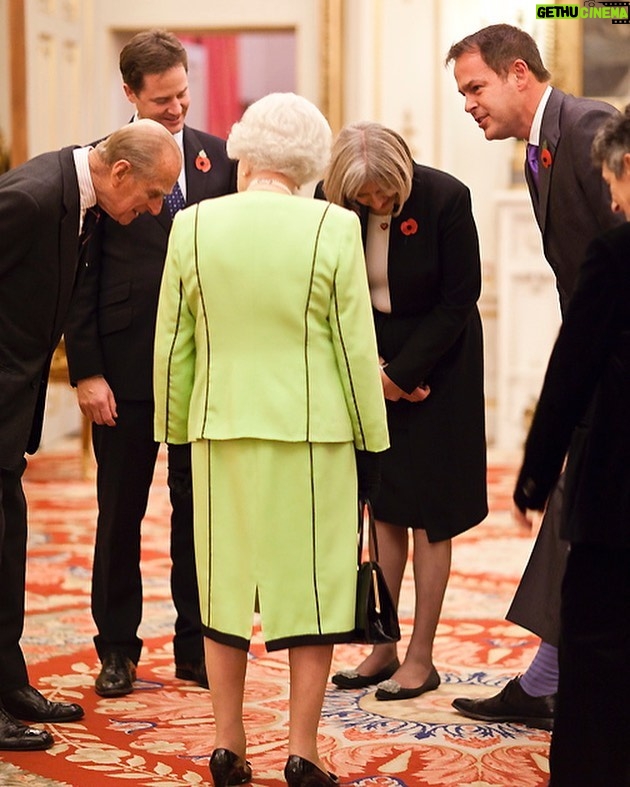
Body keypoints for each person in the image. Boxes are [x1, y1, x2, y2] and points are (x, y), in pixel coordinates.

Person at [153, 92, 389, 787]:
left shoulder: (191, 225)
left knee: (222, 593)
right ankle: (301, 749)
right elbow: (353, 346)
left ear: (244, 151)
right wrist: (373, 441)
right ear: (312, 162)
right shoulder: (332, 228)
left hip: (217, 430)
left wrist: (173, 433)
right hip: (312, 438)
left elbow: (174, 346)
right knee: (311, 595)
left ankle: (227, 745)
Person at [445, 23, 622, 730]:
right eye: (462, 94)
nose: (468, 104)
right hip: (600, 362)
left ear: (519, 72)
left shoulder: (589, 127)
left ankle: (553, 679)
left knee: (583, 518)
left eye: (475, 87)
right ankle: (550, 676)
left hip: (616, 364)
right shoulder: (539, 149)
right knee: (576, 519)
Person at [64, 29, 236, 698]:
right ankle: (117, 648)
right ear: (130, 94)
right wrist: (86, 369)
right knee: (120, 511)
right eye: (161, 99)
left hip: (204, 368)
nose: (175, 109)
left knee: (199, 511)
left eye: (183, 95)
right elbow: (83, 273)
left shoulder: (219, 161)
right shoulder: (108, 164)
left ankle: (196, 645)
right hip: (124, 367)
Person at [0, 119, 181, 751]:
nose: (156, 210)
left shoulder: (83, 202)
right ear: (122, 172)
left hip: (11, 405)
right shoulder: (29, 196)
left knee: (6, 545)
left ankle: (8, 684)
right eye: (154, 195)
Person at [319, 122, 488, 700]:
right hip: (373, 357)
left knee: (429, 512)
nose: (378, 203)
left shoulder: (446, 197)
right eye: (365, 197)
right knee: (385, 505)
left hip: (443, 366)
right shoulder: (331, 201)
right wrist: (375, 374)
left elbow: (458, 299)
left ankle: (422, 656)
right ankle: (384, 645)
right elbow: (333, 294)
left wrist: (403, 376)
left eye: (386, 193)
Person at [512, 105, 630, 787]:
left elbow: (571, 370)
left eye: (613, 179)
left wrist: (534, 477)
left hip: (618, 488)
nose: (611, 197)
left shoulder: (616, 254)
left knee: (596, 648)